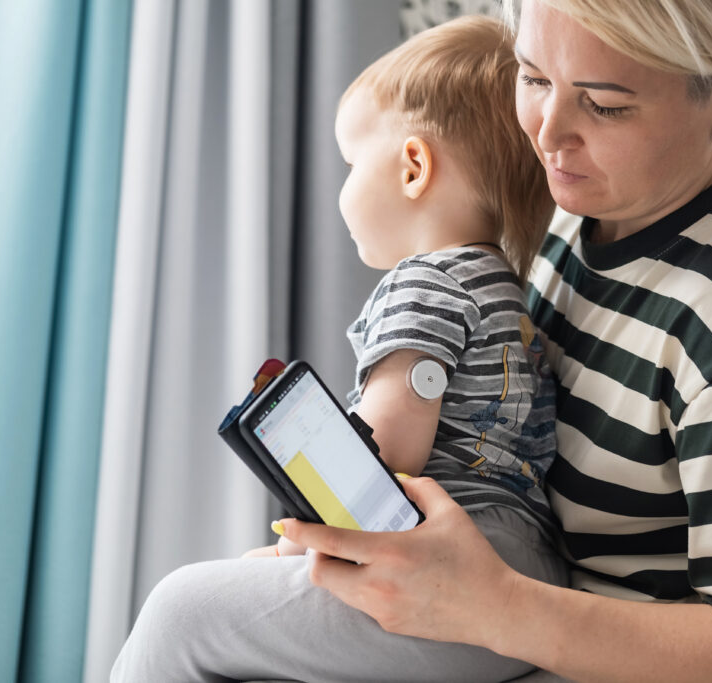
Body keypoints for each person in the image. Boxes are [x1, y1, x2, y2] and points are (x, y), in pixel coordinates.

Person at [275, 1, 712, 682]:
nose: (546, 132)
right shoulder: (579, 208)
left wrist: (497, 607)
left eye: (605, 105)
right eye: (533, 77)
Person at [111, 16, 566, 683]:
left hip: (460, 571)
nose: (344, 188)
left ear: (413, 167)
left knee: (178, 606)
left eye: (352, 164)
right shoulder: (504, 289)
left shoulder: (424, 283)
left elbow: (380, 465)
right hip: (534, 571)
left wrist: (300, 548)